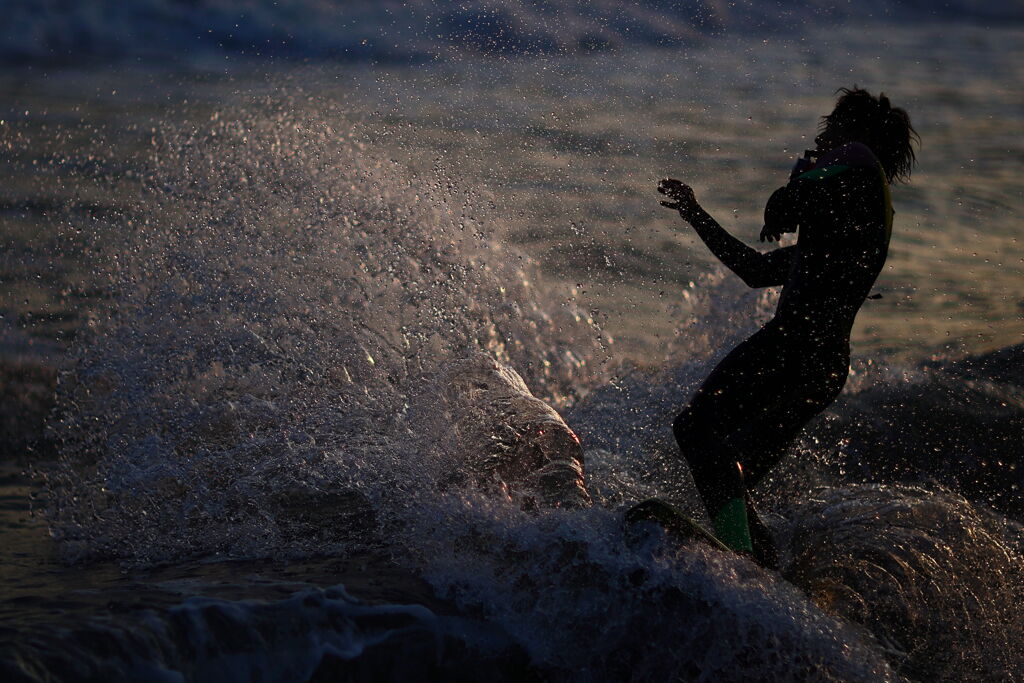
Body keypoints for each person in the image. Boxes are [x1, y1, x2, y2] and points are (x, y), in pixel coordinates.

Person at [657, 87, 919, 567]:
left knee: (695, 429)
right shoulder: (842, 236)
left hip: (794, 347)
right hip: (824, 367)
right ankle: (761, 559)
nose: (822, 141)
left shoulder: (860, 166)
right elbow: (754, 270)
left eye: (831, 131)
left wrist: (792, 189)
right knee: (730, 470)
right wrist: (695, 212)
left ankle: (736, 556)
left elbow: (811, 186)